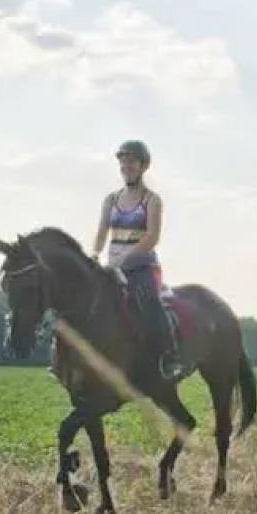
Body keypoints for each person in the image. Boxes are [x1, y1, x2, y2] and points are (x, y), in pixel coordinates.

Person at [91, 139, 182, 380]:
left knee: (151, 303)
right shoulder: (111, 200)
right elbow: (102, 231)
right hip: (112, 267)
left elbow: (152, 237)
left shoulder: (152, 200)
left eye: (131, 161)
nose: (126, 166)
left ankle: (169, 355)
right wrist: (94, 254)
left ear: (143, 166)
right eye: (122, 162)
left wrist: (126, 259)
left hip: (142, 266)